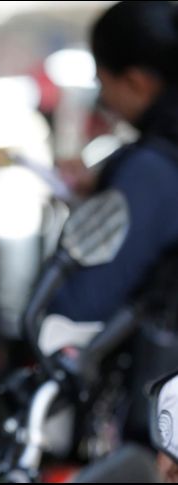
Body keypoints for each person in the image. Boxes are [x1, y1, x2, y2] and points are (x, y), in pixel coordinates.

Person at [48, 0, 178, 442]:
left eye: (103, 84)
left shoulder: (152, 168)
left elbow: (82, 304)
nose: (104, 101)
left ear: (138, 81)